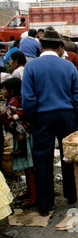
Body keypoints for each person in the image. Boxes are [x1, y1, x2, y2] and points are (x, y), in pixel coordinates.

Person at [21, 29, 78, 216]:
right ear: (59, 47)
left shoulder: (31, 67)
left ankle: (45, 203)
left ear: (40, 47)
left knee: (42, 159)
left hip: (41, 116)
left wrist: (34, 115)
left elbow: (28, 98)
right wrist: (71, 110)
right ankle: (71, 195)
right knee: (68, 155)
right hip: (66, 115)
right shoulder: (68, 66)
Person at [1, 77, 35, 207]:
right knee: (27, 168)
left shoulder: (17, 101)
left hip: (24, 136)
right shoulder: (12, 100)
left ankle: (33, 197)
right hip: (19, 134)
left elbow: (17, 114)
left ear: (11, 91)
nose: (2, 91)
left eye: (4, 89)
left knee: (30, 167)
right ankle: (29, 191)